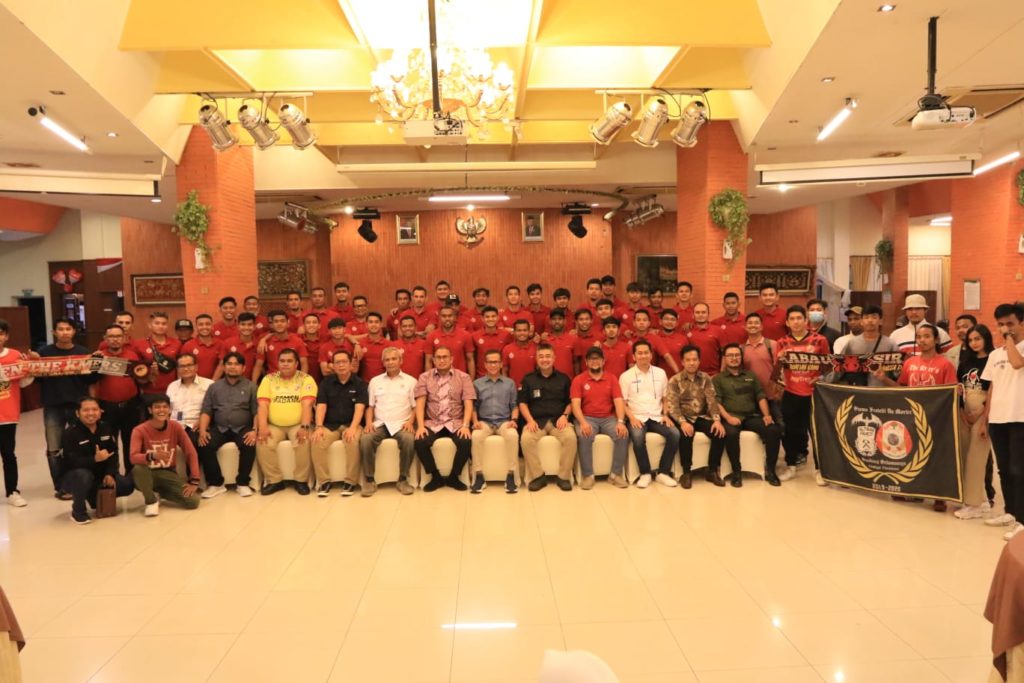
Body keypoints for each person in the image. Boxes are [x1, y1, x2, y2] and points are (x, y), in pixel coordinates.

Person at [30, 317, 89, 499]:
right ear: (54, 332)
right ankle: (61, 487)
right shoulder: (44, 353)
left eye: (68, 329)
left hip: (77, 406)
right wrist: (34, 363)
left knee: (79, 445)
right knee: (54, 449)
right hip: (53, 406)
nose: (64, 332)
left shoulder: (83, 352)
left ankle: (80, 482)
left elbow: (90, 379)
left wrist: (96, 363)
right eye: (61, 329)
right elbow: (37, 380)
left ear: (74, 331)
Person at [981, 303, 1024, 541]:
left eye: (1010, 324)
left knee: (1019, 469)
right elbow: (992, 388)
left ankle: (1022, 521)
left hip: (1020, 417)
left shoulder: (1019, 349)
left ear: (1021, 323)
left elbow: (1017, 363)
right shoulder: (994, 355)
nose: (1005, 328)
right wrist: (986, 418)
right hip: (999, 419)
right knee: (1004, 469)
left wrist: (1009, 340)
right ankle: (1010, 512)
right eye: (1000, 325)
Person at [713, 344, 782, 487]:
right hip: (731, 417)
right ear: (724, 359)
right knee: (731, 434)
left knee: (773, 430)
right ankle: (736, 472)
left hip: (751, 416)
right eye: (730, 355)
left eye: (737, 355)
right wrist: (728, 418)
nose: (734, 358)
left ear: (741, 357)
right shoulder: (718, 379)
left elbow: (760, 396)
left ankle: (771, 471)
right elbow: (716, 402)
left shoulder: (750, 376)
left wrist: (767, 415)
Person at [775, 305, 830, 485]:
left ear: (806, 320)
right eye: (792, 319)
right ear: (787, 322)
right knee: (790, 432)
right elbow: (777, 371)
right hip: (791, 394)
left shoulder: (819, 340)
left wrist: (820, 378)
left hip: (814, 394)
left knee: (816, 433)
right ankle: (791, 466)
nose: (796, 322)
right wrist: (780, 374)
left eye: (799, 318)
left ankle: (820, 470)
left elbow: (828, 367)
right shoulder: (782, 342)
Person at [60, 397, 135, 524]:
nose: (91, 413)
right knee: (84, 476)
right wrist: (94, 459)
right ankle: (78, 511)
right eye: (86, 410)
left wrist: (110, 473)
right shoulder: (70, 433)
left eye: (94, 409)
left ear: (100, 412)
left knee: (127, 485)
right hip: (75, 476)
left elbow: (113, 453)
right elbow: (70, 462)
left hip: (100, 475)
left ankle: (94, 499)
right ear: (77, 413)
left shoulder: (106, 427)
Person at [196, 351, 258, 499]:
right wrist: (203, 430)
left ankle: (242, 483)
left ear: (243, 368)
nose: (232, 367)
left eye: (236, 364)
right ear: (223, 367)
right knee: (204, 443)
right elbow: (206, 410)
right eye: (229, 364)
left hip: (243, 427)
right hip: (220, 427)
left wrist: (255, 430)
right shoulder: (214, 387)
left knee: (249, 443)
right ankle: (216, 484)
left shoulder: (251, 387)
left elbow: (257, 411)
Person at [414, 346, 476, 491]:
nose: (442, 360)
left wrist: (465, 426)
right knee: (420, 441)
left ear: (451, 359)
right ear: (433, 360)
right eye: (438, 357)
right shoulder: (424, 377)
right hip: (433, 422)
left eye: (445, 357)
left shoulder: (464, 377)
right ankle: (435, 477)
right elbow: (420, 404)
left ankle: (454, 477)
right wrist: (421, 426)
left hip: (456, 422)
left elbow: (468, 404)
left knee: (465, 441)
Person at [255, 348, 317, 496]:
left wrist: (304, 426)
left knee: (303, 440)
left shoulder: (306, 379)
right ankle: (274, 481)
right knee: (263, 441)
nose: (285, 364)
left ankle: (301, 481)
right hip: (274, 425)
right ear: (277, 363)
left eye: (289, 361)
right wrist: (262, 427)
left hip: (298, 424)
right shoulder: (268, 379)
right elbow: (263, 405)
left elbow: (307, 405)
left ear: (296, 364)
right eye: (282, 361)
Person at [619, 340, 680, 488]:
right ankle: (645, 473)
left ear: (651, 355)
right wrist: (631, 418)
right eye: (639, 353)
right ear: (634, 356)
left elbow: (665, 398)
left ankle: (663, 473)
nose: (643, 356)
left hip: (657, 416)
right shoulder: (626, 376)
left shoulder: (660, 373)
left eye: (646, 352)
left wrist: (665, 415)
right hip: (637, 417)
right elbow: (623, 402)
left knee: (675, 434)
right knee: (638, 437)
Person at [129, 393, 201, 516]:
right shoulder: (139, 430)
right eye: (157, 407)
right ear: (150, 410)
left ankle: (161, 492)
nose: (161, 410)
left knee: (193, 501)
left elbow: (191, 452)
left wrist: (194, 480)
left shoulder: (175, 426)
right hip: (147, 472)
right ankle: (151, 501)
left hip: (168, 472)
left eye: (164, 407)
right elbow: (133, 457)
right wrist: (153, 456)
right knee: (138, 468)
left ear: (169, 409)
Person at [666, 345, 727, 488]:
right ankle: (686, 472)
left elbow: (712, 400)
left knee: (719, 433)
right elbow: (673, 406)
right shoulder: (675, 380)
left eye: (694, 359)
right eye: (688, 360)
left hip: (701, 416)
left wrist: (717, 420)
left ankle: (712, 471)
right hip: (683, 417)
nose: (692, 363)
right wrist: (682, 422)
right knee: (686, 434)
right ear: (682, 362)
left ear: (699, 361)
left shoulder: (705, 378)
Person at [360, 347, 417, 496]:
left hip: (402, 423)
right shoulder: (375, 381)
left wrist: (410, 422)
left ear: (401, 361)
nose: (390, 362)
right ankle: (369, 480)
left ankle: (403, 479)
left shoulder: (411, 381)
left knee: (409, 439)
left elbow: (415, 407)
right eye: (387, 360)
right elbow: (370, 406)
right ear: (383, 362)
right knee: (366, 439)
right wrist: (368, 423)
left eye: (394, 359)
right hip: (380, 423)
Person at [311, 349, 368, 497]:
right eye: (337, 362)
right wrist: (318, 427)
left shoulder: (360, 383)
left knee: (352, 440)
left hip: (352, 424)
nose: (341, 365)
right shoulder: (326, 383)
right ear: (333, 366)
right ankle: (324, 482)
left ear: (350, 364)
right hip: (330, 425)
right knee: (317, 441)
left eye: (344, 362)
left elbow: (360, 408)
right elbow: (321, 406)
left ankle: (350, 482)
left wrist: (353, 428)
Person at [519, 344, 576, 491]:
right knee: (526, 439)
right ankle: (538, 477)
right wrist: (530, 420)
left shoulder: (564, 379)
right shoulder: (528, 379)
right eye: (541, 356)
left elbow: (570, 402)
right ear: (536, 359)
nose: (545, 360)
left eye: (548, 356)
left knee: (570, 438)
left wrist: (565, 416)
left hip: (559, 421)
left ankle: (563, 477)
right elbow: (522, 403)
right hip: (537, 422)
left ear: (554, 358)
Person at [570, 347, 629, 490]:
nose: (594, 361)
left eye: (597, 359)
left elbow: (618, 402)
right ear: (586, 362)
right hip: (587, 417)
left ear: (603, 361)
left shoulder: (612, 378)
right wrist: (583, 423)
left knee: (623, 434)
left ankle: (615, 475)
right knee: (584, 435)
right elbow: (575, 405)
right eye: (591, 359)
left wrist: (620, 422)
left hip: (608, 418)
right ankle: (588, 476)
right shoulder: (579, 379)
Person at [954, 325, 994, 520]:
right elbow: (959, 386)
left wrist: (983, 415)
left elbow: (994, 389)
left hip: (984, 410)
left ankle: (973, 505)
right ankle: (982, 499)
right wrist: (962, 410)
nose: (974, 343)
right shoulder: (965, 361)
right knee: (964, 454)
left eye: (977, 338)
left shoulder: (993, 359)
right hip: (965, 410)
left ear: (986, 338)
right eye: (970, 340)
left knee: (976, 458)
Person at [91, 323, 142, 472]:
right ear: (105, 339)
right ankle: (112, 475)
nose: (115, 339)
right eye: (111, 336)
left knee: (130, 442)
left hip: (130, 406)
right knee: (109, 442)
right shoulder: (99, 356)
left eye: (118, 336)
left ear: (124, 338)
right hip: (107, 407)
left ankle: (131, 475)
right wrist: (95, 404)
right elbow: (91, 382)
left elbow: (139, 379)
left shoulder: (133, 355)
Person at [470, 350, 519, 494]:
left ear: (501, 364)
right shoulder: (477, 384)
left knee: (513, 435)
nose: (493, 365)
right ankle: (479, 476)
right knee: (476, 436)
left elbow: (514, 405)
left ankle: (511, 475)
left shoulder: (509, 383)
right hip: (484, 422)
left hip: (504, 421)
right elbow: (473, 406)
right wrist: (475, 421)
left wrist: (514, 420)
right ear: (485, 364)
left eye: (496, 362)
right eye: (490, 362)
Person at [0, 319, 33, 507]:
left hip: (7, 415)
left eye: (1, 333)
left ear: (6, 336)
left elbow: (24, 383)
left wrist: (28, 371)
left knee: (8, 454)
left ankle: (12, 491)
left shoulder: (15, 356)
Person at [834, 305, 898, 387]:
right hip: (858, 390)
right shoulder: (852, 343)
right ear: (861, 321)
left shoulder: (890, 344)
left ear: (881, 321)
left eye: (874, 317)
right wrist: (823, 380)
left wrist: (885, 379)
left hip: (881, 390)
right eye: (866, 317)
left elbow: (897, 374)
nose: (870, 320)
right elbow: (839, 368)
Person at [741, 313, 783, 425]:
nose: (753, 325)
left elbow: (780, 369)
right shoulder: (742, 349)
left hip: (772, 396)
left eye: (756, 323)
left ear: (761, 326)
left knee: (780, 425)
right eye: (750, 323)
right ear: (745, 327)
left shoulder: (772, 344)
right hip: (752, 397)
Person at [165, 354, 213, 446]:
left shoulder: (209, 385)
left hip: (196, 427)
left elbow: (215, 409)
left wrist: (202, 422)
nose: (186, 369)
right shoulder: (172, 386)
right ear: (177, 369)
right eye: (182, 366)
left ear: (196, 367)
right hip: (175, 426)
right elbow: (167, 411)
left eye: (189, 365)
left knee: (195, 441)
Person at [251, 309, 308, 381]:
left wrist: (301, 382)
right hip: (272, 380)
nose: (279, 324)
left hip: (293, 381)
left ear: (288, 323)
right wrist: (253, 384)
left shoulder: (297, 341)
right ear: (272, 325)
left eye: (282, 321)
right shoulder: (265, 342)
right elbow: (258, 365)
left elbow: (304, 364)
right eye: (276, 321)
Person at [132, 311, 181, 394]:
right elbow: (136, 370)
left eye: (164, 323)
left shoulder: (177, 343)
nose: (160, 326)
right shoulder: (139, 344)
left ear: (167, 326)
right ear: (150, 325)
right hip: (149, 391)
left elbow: (180, 367)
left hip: (173, 391)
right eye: (157, 323)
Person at [626, 310, 679, 374]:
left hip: (652, 374)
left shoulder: (655, 338)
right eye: (638, 320)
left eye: (644, 320)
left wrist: (678, 373)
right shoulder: (629, 339)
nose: (641, 322)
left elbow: (667, 356)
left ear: (649, 323)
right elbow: (630, 362)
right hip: (634, 374)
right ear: (634, 323)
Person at [426, 305, 475, 375]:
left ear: (455, 317)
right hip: (438, 378)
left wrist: (471, 379)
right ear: (439, 317)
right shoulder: (431, 336)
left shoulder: (465, 335)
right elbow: (429, 361)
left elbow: (470, 359)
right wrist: (429, 379)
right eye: (444, 316)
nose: (447, 318)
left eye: (450, 316)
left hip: (460, 378)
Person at [472, 307, 512, 378]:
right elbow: (472, 358)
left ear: (498, 318)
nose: (490, 319)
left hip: (501, 377)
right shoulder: (474, 336)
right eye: (487, 317)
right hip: (481, 377)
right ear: (482, 318)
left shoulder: (506, 335)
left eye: (493, 316)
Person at [180, 313, 223, 379]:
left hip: (215, 383)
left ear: (212, 326)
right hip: (194, 383)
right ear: (196, 327)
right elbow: (183, 367)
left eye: (207, 324)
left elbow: (222, 365)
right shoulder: (188, 346)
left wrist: (212, 382)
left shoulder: (221, 344)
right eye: (201, 324)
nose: (204, 327)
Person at [687, 303, 722, 376]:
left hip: (714, 374)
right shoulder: (687, 331)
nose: (700, 315)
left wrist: (721, 373)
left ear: (708, 314)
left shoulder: (718, 330)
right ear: (693, 315)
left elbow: (724, 354)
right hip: (693, 374)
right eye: (697, 312)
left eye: (703, 312)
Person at [502, 319, 537, 388]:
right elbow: (504, 370)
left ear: (529, 332)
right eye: (519, 330)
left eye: (524, 330)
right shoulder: (507, 349)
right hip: (513, 388)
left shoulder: (536, 348)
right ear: (514, 332)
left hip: (531, 388)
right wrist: (507, 386)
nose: (522, 333)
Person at [354, 313, 389, 381]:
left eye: (376, 322)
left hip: (384, 383)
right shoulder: (360, 344)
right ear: (366, 325)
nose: (373, 324)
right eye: (371, 322)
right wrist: (356, 344)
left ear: (381, 324)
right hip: (364, 383)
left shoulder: (389, 344)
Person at [543, 308, 577, 377]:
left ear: (565, 321)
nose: (557, 321)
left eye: (560, 319)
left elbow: (576, 362)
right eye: (554, 319)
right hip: (549, 380)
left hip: (568, 380)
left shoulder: (573, 339)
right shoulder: (545, 340)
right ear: (550, 321)